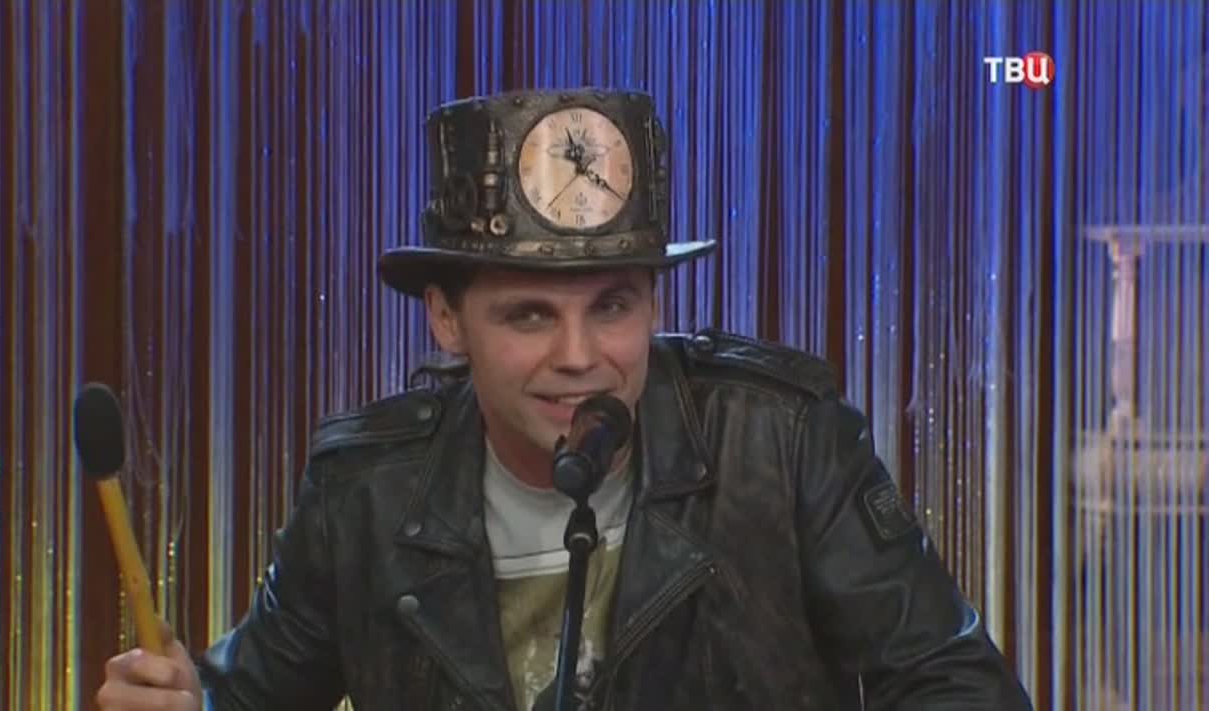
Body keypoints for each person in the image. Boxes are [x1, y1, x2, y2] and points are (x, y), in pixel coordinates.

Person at [96, 87, 1034, 710]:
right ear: (447, 320)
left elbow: (958, 686)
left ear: (653, 304)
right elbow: (247, 695)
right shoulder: (363, 493)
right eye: (531, 314)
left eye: (612, 306)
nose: (581, 357)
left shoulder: (783, 442)